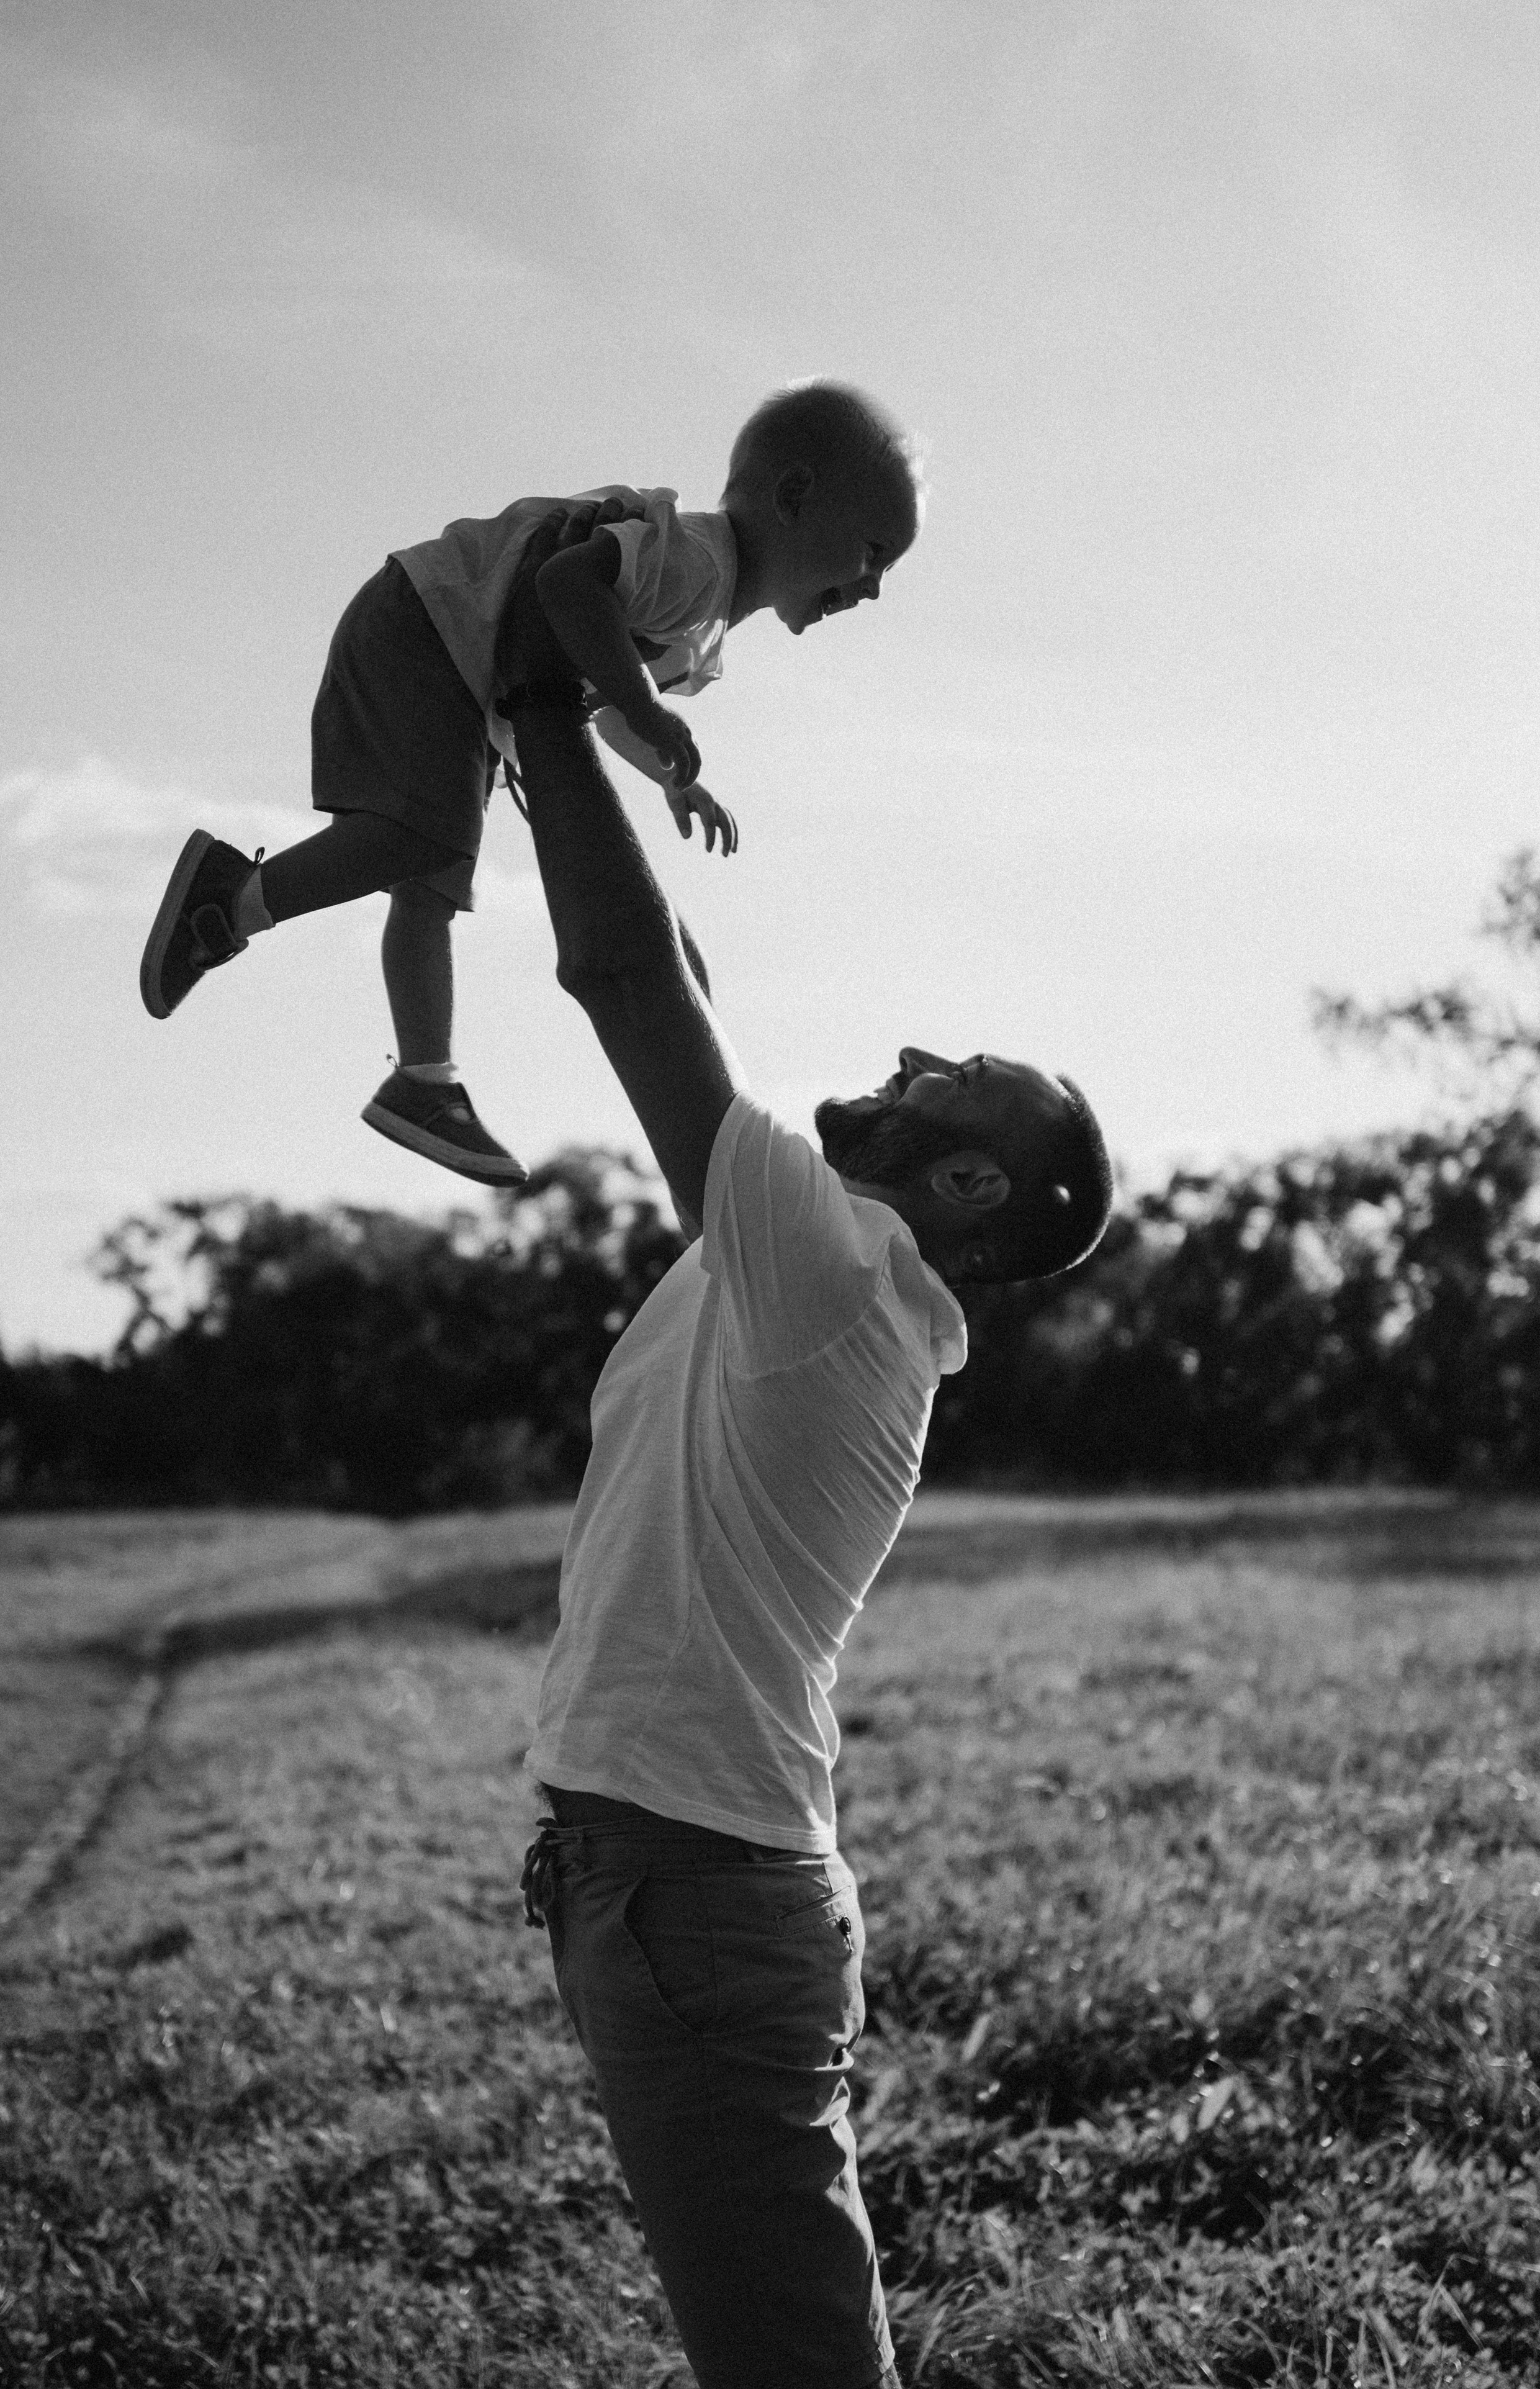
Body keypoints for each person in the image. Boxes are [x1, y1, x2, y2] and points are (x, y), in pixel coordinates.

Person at [501, 502, 1113, 2389]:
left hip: (693, 1891)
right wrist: (594, 722)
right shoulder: (819, 1259)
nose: (915, 1053)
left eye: (956, 1078)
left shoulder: (834, 1270)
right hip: (674, 1880)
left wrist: (536, 696)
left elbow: (631, 987)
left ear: (971, 1182)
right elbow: (673, 971)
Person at [137, 381, 922, 1186]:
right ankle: (228, 904)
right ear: (793, 497)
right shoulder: (694, 559)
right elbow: (567, 587)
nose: (873, 587)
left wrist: (670, 775)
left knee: (431, 884)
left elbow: (601, 698)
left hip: (456, 655)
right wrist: (646, 708)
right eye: (873, 553)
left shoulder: (702, 625)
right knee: (417, 841)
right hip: (436, 621)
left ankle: (423, 1079)